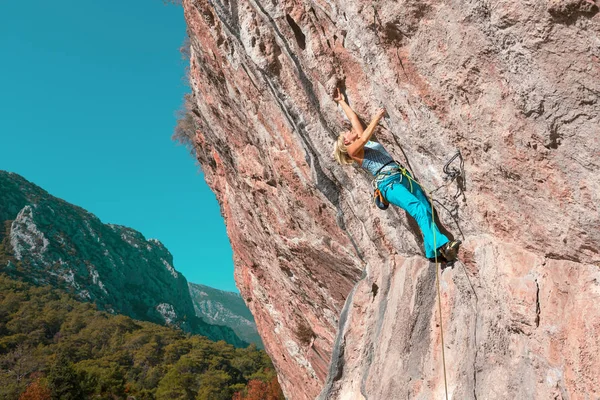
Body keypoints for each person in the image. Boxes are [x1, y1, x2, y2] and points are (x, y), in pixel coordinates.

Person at [332, 88, 460, 262]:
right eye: (345, 133)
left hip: (401, 176)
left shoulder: (362, 143)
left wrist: (341, 101)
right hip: (389, 185)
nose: (348, 130)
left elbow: (353, 119)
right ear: (346, 142)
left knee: (426, 209)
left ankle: (432, 254)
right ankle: (442, 246)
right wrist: (376, 118)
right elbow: (362, 139)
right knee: (418, 208)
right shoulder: (353, 150)